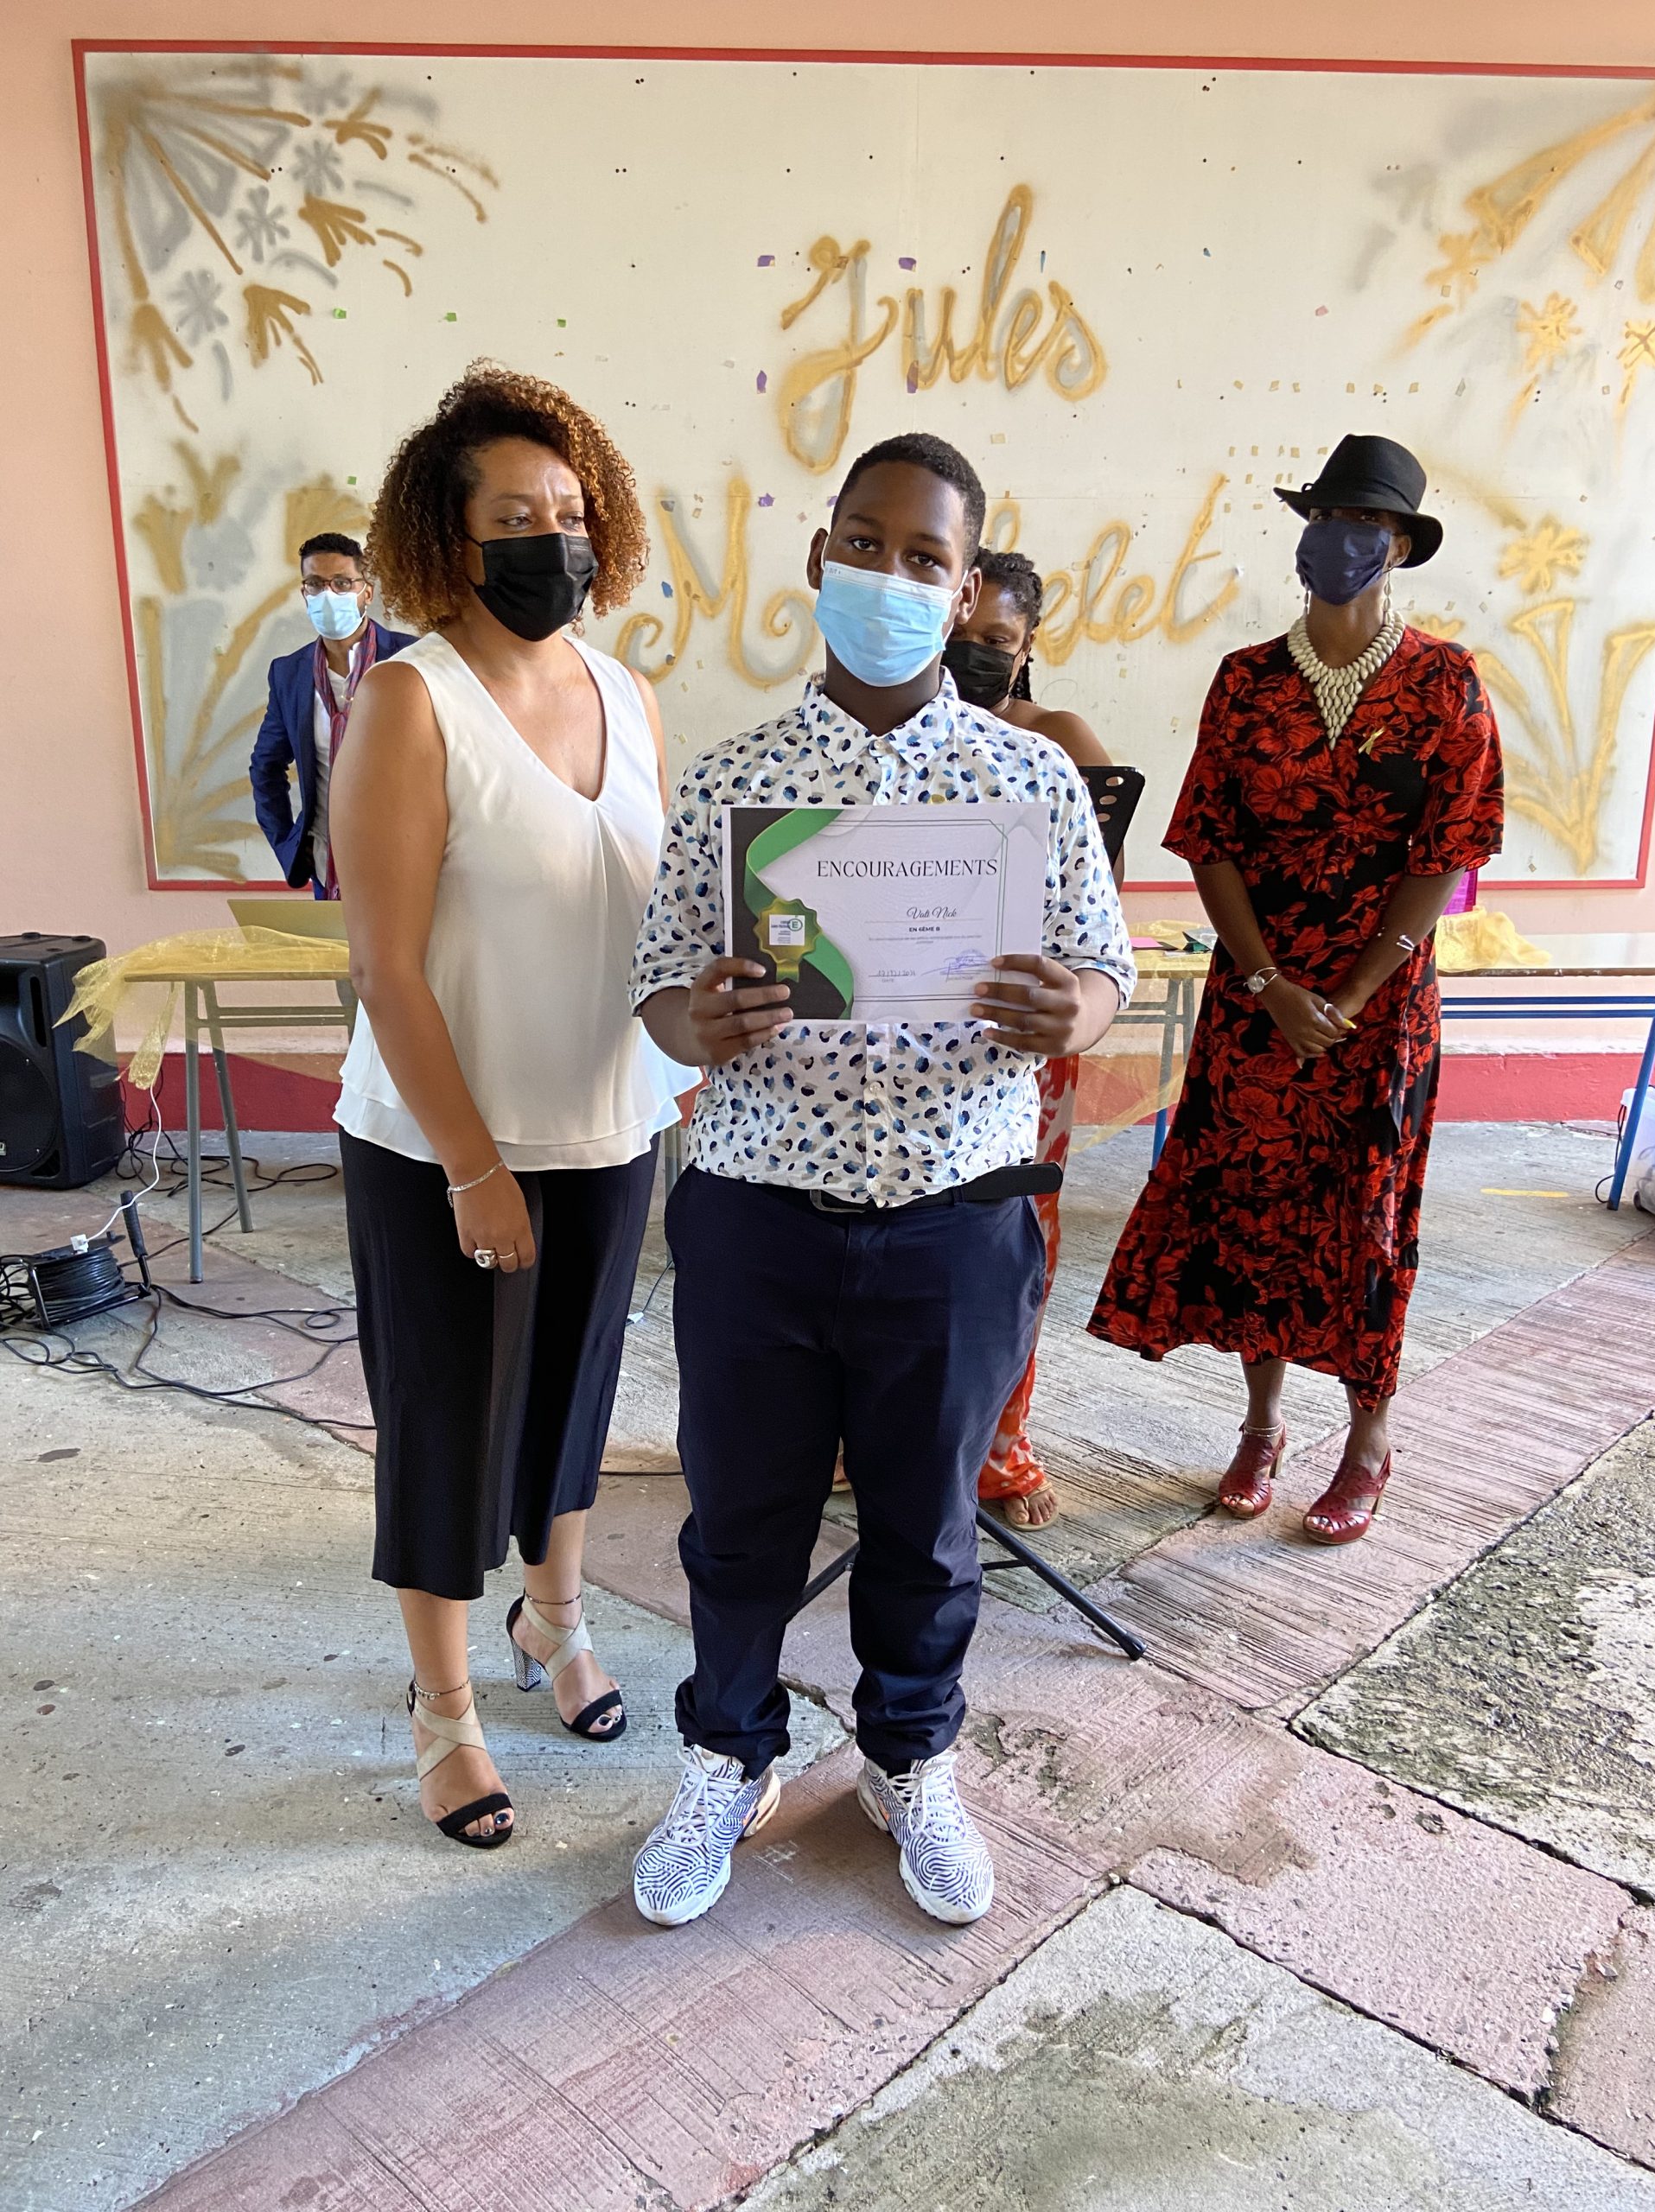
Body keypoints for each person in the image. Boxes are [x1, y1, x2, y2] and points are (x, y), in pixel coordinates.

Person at [628, 431, 1135, 1929]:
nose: (892, 577)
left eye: (927, 558)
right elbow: (658, 993)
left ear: (968, 592)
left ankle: (910, 1759)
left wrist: (1071, 1012)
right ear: (820, 557)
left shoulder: (1030, 780)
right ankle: (730, 1755)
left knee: (927, 1526)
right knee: (740, 1522)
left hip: (954, 1220)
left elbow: (1103, 969)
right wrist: (699, 1022)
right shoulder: (735, 780)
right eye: (867, 544)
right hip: (759, 1211)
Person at [328, 363, 690, 1848]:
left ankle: (556, 1620)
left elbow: (653, 920)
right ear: (451, 535)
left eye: (571, 511)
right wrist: (474, 1168)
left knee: (573, 1403)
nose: (555, 539)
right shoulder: (410, 703)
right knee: (447, 1424)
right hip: (444, 1149)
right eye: (517, 516)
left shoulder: (628, 695)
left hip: (609, 1129)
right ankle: (445, 1709)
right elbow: (385, 966)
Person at [1091, 434, 1503, 1544]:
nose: (1338, 538)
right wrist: (1269, 980)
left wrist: (1356, 992)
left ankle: (1368, 1438)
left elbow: (1448, 853)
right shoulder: (1247, 680)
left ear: (1400, 546)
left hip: (1382, 1007)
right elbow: (1209, 838)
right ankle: (1262, 1425)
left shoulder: (1447, 683)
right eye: (1324, 516)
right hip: (1256, 997)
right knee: (1253, 1209)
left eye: (1364, 522)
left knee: (1366, 1218)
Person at [944, 546, 1116, 1530]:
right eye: (963, 634)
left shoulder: (1061, 743)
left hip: (1025, 1031)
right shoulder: (883, 732)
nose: (976, 653)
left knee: (1013, 1239)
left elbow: (1097, 917)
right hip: (910, 1029)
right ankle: (863, 1438)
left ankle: (1000, 1448)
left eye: (997, 640)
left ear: (1028, 644)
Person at [249, 533, 414, 896]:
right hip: (329, 870)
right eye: (315, 584)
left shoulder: (413, 660)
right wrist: (288, 843)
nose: (328, 595)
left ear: (366, 592)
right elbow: (265, 767)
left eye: (342, 583)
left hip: (408, 868)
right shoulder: (289, 673)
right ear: (304, 594)